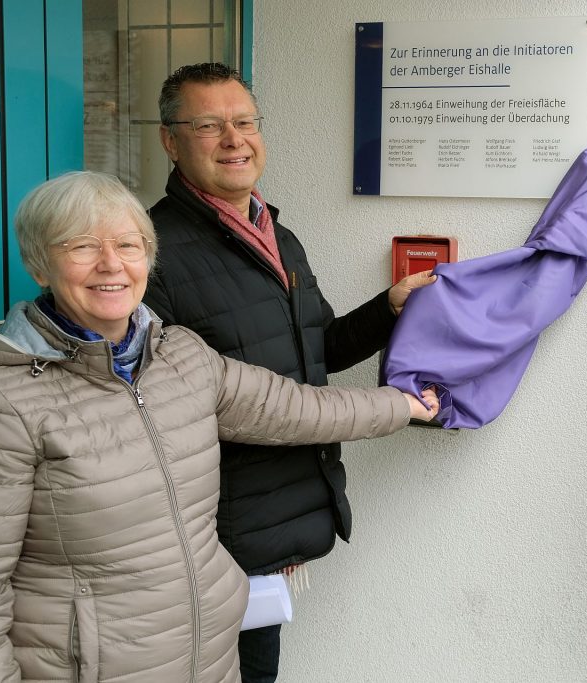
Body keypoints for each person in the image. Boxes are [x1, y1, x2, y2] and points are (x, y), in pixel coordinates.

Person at [0, 171, 439, 683]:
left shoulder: (180, 357)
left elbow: (293, 408)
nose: (111, 264)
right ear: (41, 262)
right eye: (82, 246)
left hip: (211, 662)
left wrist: (401, 406)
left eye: (128, 244)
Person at [141, 62, 436, 682]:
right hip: (211, 538)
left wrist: (388, 310)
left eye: (245, 121)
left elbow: (314, 350)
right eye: (209, 125)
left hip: (271, 527)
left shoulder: (279, 236)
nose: (234, 139)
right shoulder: (153, 254)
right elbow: (170, 412)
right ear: (170, 140)